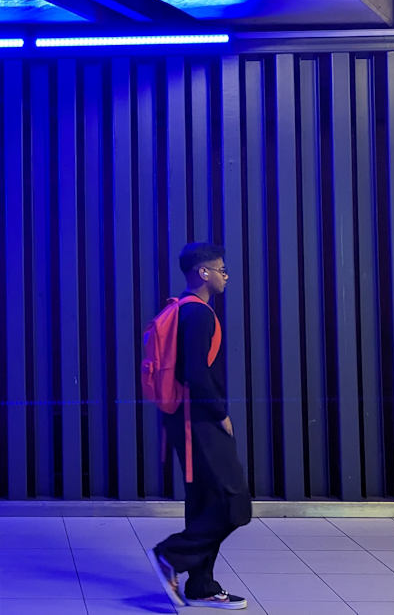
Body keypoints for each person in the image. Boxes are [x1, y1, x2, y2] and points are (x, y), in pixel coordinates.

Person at [151, 242, 252, 610]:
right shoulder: (200, 314)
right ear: (203, 273)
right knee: (235, 503)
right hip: (200, 421)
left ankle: (202, 586)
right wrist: (221, 413)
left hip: (183, 418)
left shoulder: (180, 310)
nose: (226, 275)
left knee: (205, 502)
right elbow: (194, 372)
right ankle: (170, 554)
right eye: (221, 268)